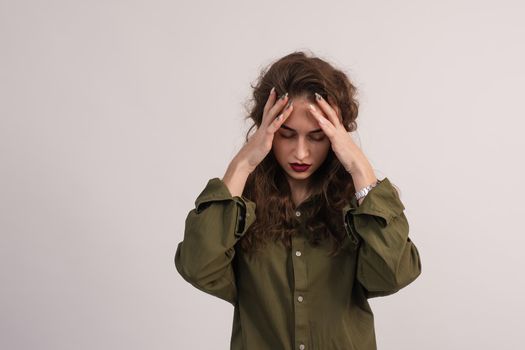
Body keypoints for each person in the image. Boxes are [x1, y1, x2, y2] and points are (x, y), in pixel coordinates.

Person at [174, 50, 422, 350]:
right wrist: (242, 165)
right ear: (267, 130)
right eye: (287, 135)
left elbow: (393, 276)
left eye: (317, 137)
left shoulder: (360, 205)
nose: (301, 153)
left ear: (336, 135)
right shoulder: (241, 206)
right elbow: (196, 266)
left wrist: (359, 167)